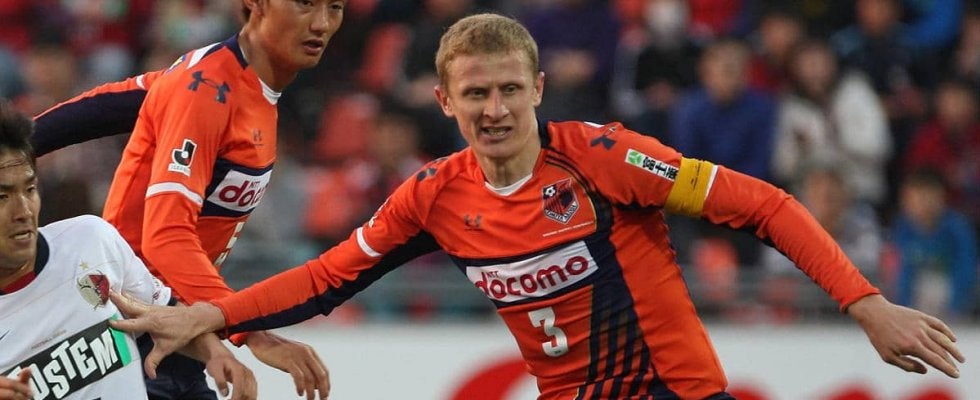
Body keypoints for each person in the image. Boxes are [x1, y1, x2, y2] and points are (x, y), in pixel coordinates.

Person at [111, 14, 965, 400]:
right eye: (476, 94)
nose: (496, 110)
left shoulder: (603, 158)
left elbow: (766, 205)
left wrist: (864, 302)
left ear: (538, 88)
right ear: (445, 102)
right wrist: (215, 315)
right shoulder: (434, 197)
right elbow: (328, 277)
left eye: (510, 90)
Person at [29, 1, 345, 399]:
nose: (321, 23)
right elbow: (166, 235)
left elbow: (106, 106)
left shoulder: (226, 83)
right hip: (128, 327)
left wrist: (20, 140)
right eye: (305, 3)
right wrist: (252, 332)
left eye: (335, 7)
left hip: (178, 326)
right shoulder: (207, 87)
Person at [0, 100, 256, 400]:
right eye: (2, 196)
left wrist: (216, 353)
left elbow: (164, 317)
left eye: (30, 189)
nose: (23, 211)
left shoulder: (90, 239)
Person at [889, 169, 978, 320]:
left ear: (941, 198)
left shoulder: (957, 227)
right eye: (916, 199)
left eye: (928, 198)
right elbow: (901, 269)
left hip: (952, 293)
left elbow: (966, 265)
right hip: (916, 296)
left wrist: (954, 304)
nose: (923, 205)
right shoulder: (902, 228)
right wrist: (903, 306)